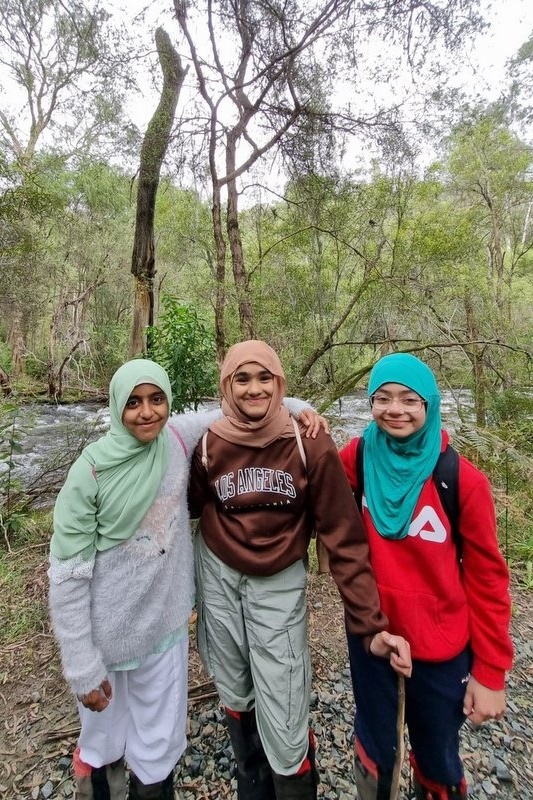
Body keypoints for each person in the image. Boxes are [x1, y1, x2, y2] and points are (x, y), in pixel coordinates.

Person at [48, 358, 322, 800]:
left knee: (159, 744)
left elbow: (238, 406)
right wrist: (81, 665)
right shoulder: (91, 473)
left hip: (166, 627)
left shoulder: (175, 440)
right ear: (117, 406)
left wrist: (298, 407)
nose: (147, 412)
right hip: (106, 637)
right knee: (102, 741)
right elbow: (68, 576)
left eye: (157, 399)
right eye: (134, 402)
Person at [188, 340, 412, 800]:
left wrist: (370, 624)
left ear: (280, 382)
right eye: (242, 379)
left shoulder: (309, 442)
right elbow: (185, 507)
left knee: (285, 695)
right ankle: (252, 778)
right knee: (233, 684)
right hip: (219, 577)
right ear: (227, 386)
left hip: (279, 580)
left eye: (264, 378)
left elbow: (344, 539)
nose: (254, 389)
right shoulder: (209, 443)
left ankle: (292, 779)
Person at [338, 352, 513, 800]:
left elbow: (488, 580)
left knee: (437, 755)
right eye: (383, 398)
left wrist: (490, 672)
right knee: (375, 748)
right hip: (372, 634)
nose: (394, 409)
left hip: (440, 648)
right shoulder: (358, 457)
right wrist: (300, 418)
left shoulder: (461, 481)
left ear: (430, 404)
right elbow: (310, 483)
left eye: (409, 400)